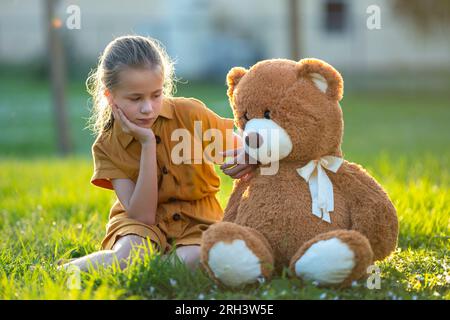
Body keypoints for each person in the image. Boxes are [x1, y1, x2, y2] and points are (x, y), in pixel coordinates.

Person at [60, 35, 256, 272]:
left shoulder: (189, 114)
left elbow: (241, 147)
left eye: (156, 95)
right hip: (141, 223)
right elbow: (142, 216)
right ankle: (61, 272)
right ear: (110, 97)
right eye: (135, 98)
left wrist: (250, 155)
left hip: (198, 219)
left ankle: (153, 269)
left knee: (195, 258)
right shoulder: (108, 145)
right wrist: (147, 145)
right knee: (128, 254)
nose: (147, 108)